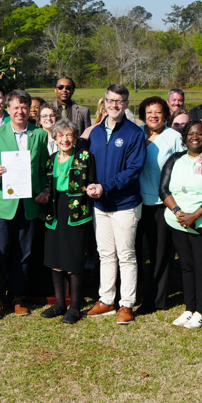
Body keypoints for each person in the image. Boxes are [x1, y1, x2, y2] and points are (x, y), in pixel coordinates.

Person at [0, 90, 50, 319]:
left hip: (29, 204)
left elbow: (43, 169)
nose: (20, 111)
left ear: (30, 110)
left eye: (24, 107)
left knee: (24, 253)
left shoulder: (39, 134)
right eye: (16, 107)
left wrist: (45, 190)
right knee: (1, 253)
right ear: (8, 109)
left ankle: (18, 297)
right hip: (3, 205)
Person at [84, 84, 146, 325]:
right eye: (110, 100)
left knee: (126, 255)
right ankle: (107, 299)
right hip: (101, 205)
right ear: (105, 102)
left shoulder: (134, 133)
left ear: (126, 104)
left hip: (125, 204)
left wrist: (104, 186)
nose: (114, 105)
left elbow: (133, 170)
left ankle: (126, 304)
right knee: (106, 254)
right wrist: (91, 185)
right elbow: (89, 164)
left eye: (119, 101)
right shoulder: (96, 132)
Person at [159, 121, 202, 329]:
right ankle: (189, 309)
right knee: (187, 266)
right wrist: (179, 213)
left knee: (201, 266)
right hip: (179, 222)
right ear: (185, 137)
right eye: (190, 133)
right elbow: (163, 190)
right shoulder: (175, 159)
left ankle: (201, 311)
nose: (195, 137)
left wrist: (194, 216)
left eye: (200, 134)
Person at [38, 119, 95, 325]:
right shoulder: (52, 159)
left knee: (73, 260)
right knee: (55, 260)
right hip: (55, 211)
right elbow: (47, 184)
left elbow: (92, 180)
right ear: (54, 138)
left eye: (69, 135)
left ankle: (75, 308)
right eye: (60, 135)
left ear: (76, 137)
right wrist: (44, 193)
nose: (65, 139)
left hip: (76, 211)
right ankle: (59, 304)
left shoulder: (85, 156)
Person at [136, 96, 186, 313]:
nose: (153, 116)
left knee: (160, 252)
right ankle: (135, 291)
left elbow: (182, 168)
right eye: (149, 112)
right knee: (134, 250)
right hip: (136, 201)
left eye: (157, 112)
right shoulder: (137, 134)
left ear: (165, 114)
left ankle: (156, 299)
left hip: (162, 203)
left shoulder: (174, 137)